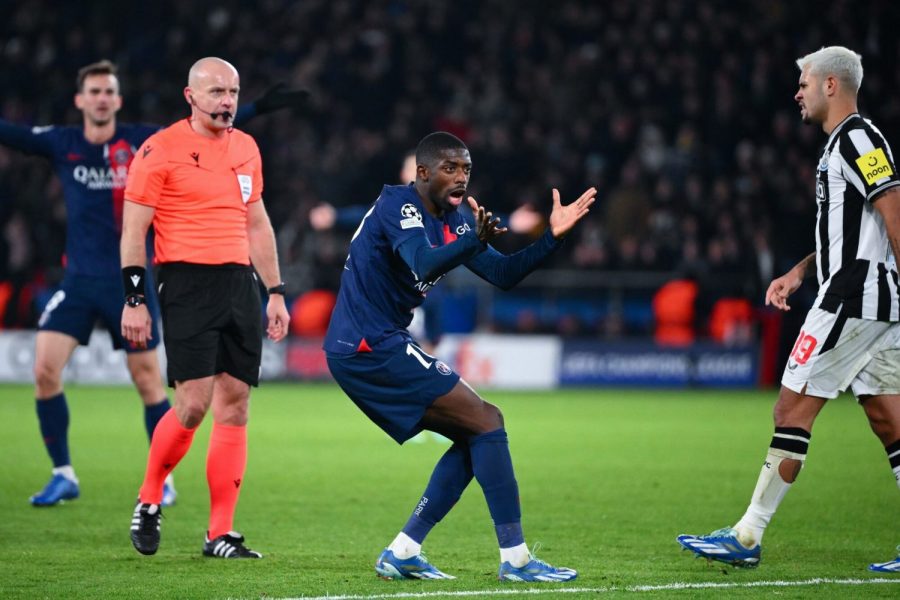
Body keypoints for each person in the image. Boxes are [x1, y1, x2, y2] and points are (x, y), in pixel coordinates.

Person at [0, 59, 306, 507]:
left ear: (118, 100)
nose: (102, 98)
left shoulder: (143, 140)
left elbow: (207, 124)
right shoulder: (62, 143)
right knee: (44, 369)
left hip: (131, 279)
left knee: (150, 383)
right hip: (81, 279)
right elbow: (16, 134)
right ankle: (63, 472)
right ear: (80, 100)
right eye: (95, 92)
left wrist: (257, 106)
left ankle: (162, 480)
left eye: (110, 92)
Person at [324, 131, 595, 582]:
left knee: (478, 432)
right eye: (450, 168)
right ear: (423, 172)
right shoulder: (399, 206)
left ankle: (404, 550)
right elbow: (424, 263)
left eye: (466, 168)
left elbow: (504, 274)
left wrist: (553, 238)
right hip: (367, 344)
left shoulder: (457, 219)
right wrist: (471, 242)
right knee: (488, 419)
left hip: (379, 342)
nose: (461, 177)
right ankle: (516, 560)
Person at [677, 46, 900, 573]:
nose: (796, 92)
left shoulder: (861, 139)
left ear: (830, 85)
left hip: (853, 297)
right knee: (889, 420)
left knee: (791, 409)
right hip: (868, 299)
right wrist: (800, 271)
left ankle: (748, 534)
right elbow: (852, 229)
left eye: (803, 83)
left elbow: (894, 211)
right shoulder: (838, 147)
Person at [121, 57, 289, 559]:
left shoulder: (246, 148)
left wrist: (275, 290)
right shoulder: (160, 150)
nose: (227, 101)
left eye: (234, 91)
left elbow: (257, 223)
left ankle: (220, 533)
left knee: (235, 403)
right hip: (186, 281)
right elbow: (134, 233)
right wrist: (134, 299)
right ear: (190, 96)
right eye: (217, 91)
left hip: (240, 283)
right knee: (193, 404)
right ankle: (149, 498)